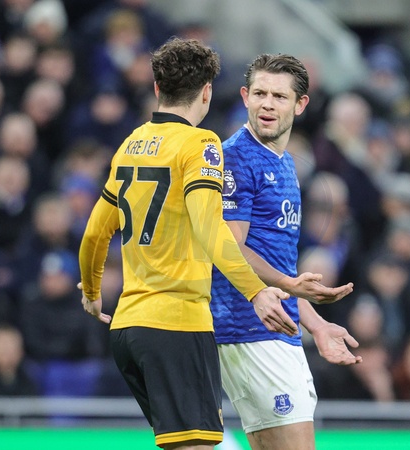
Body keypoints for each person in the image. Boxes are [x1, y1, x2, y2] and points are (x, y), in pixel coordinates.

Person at [77, 38, 295, 450]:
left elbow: (94, 234)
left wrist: (91, 291)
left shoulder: (130, 145)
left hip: (127, 328)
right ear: (207, 92)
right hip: (176, 324)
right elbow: (210, 228)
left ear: (157, 88)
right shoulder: (200, 144)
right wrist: (256, 291)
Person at [210, 53, 362, 450]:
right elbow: (230, 247)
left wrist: (316, 324)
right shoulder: (236, 158)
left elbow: (281, 268)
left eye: (279, 96)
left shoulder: (287, 163)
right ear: (245, 96)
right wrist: (289, 285)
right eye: (260, 93)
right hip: (249, 327)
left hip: (277, 328)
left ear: (300, 104)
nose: (267, 104)